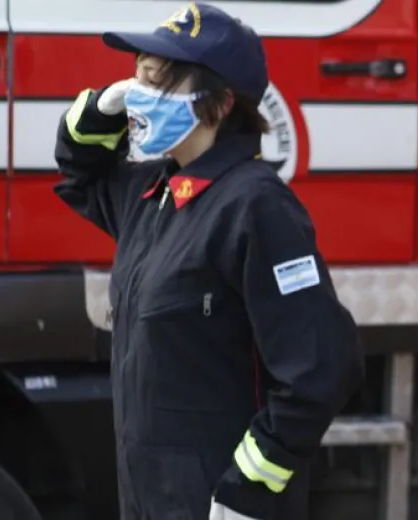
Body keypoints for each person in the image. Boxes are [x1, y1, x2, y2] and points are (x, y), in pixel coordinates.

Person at [53, 3, 365, 519]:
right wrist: (101, 107)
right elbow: (79, 171)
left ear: (218, 105)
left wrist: (250, 489)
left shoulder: (256, 207)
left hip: (220, 505)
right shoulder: (152, 195)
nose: (138, 95)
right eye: (136, 76)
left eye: (156, 81)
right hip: (150, 500)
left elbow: (321, 368)